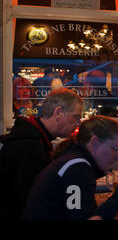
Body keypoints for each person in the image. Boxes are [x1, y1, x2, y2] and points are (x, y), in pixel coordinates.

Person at [22, 116, 118, 220]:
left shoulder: (73, 161)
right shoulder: (77, 168)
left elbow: (76, 209)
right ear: (95, 142)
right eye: (115, 148)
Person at [0, 88, 83, 219]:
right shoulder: (29, 145)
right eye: (76, 117)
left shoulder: (36, 138)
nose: (78, 123)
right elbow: (30, 200)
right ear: (58, 112)